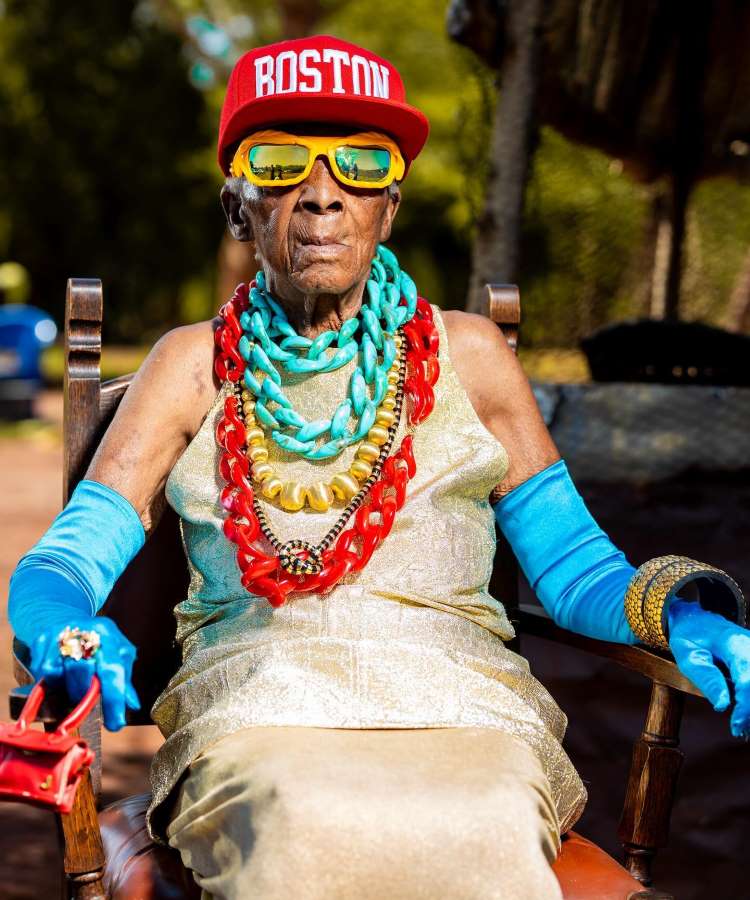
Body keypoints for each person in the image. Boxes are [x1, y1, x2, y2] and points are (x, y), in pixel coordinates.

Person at [8, 36, 750, 900]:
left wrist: (681, 617)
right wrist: (64, 622)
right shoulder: (192, 365)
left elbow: (577, 567)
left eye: (361, 164)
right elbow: (62, 562)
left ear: (388, 208)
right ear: (236, 206)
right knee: (294, 820)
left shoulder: (469, 356)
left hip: (464, 714)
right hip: (260, 713)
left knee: (483, 821)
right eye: (280, 162)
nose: (322, 194)